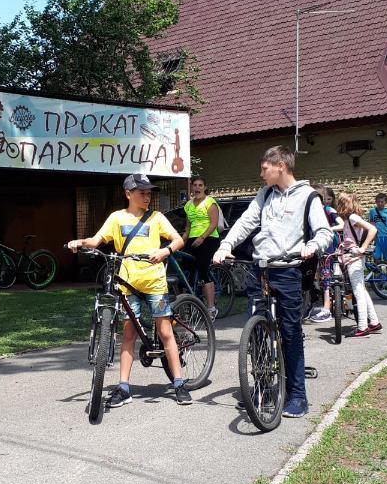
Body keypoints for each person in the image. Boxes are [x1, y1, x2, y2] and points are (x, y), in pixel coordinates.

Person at [213, 146, 332, 419]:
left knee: (290, 334)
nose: (261, 173)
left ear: (281, 166)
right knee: (257, 333)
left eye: (265, 168)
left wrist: (313, 245)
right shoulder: (264, 194)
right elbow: (244, 222)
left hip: (288, 271)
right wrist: (226, 245)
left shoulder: (308, 196)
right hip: (260, 271)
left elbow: (324, 231)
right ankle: (263, 389)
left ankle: (297, 396)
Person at [67, 172, 190, 407]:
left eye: (149, 192)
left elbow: (178, 239)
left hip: (154, 282)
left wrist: (165, 251)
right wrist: (79, 242)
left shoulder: (156, 218)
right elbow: (96, 240)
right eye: (142, 192)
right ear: (128, 194)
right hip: (128, 283)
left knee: (165, 332)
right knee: (129, 335)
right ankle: (123, 388)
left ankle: (179, 383)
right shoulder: (116, 218)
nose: (147, 196)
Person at [336, 192, 381, 338]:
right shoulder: (350, 219)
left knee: (358, 292)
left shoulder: (353, 217)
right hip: (353, 256)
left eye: (340, 203)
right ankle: (374, 322)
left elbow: (373, 229)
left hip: (354, 256)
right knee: (362, 289)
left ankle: (362, 326)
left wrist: (363, 247)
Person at [179, 177, 221, 320]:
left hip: (209, 238)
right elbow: (188, 227)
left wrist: (202, 237)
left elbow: (214, 224)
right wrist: (180, 241)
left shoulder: (210, 202)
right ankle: (188, 306)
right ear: (191, 187)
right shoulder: (188, 205)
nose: (197, 188)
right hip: (192, 238)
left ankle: (211, 308)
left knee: (203, 269)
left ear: (204, 187)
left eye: (200, 185)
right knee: (185, 270)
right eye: (195, 185)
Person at [308, 185, 343, 323]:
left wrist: (328, 229)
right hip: (313, 246)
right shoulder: (311, 211)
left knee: (326, 274)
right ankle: (313, 305)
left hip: (326, 245)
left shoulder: (327, 210)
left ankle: (327, 308)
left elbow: (341, 224)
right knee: (314, 275)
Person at [367, 193, 387, 262]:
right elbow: (371, 222)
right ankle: (378, 272)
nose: (380, 203)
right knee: (376, 257)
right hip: (376, 238)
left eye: (382, 202)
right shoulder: (372, 211)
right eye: (378, 202)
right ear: (375, 202)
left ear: (385, 202)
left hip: (386, 237)